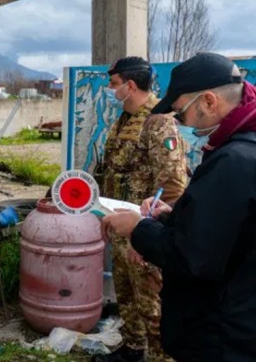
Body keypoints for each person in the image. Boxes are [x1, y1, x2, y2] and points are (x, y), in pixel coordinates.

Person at [103, 52, 256, 361]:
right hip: (228, 318)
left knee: (151, 307)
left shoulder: (235, 160)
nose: (180, 120)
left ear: (209, 101)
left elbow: (196, 254)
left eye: (180, 111)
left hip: (225, 333)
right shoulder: (237, 149)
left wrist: (142, 229)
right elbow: (229, 226)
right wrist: (174, 217)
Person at [94, 57, 187, 362]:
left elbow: (172, 187)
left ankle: (162, 357)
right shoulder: (124, 118)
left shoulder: (159, 122)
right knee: (127, 295)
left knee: (153, 305)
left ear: (130, 85)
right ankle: (133, 350)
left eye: (114, 83)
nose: (110, 88)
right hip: (122, 227)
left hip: (144, 232)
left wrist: (150, 234)